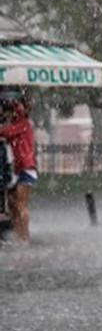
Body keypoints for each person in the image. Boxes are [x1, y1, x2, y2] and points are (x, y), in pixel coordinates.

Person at [0, 97, 36, 245]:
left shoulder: (22, 124)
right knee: (14, 204)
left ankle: (24, 237)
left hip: (26, 169)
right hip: (19, 168)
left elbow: (5, 132)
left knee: (20, 205)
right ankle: (18, 235)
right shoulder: (19, 125)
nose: (5, 117)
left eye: (7, 113)